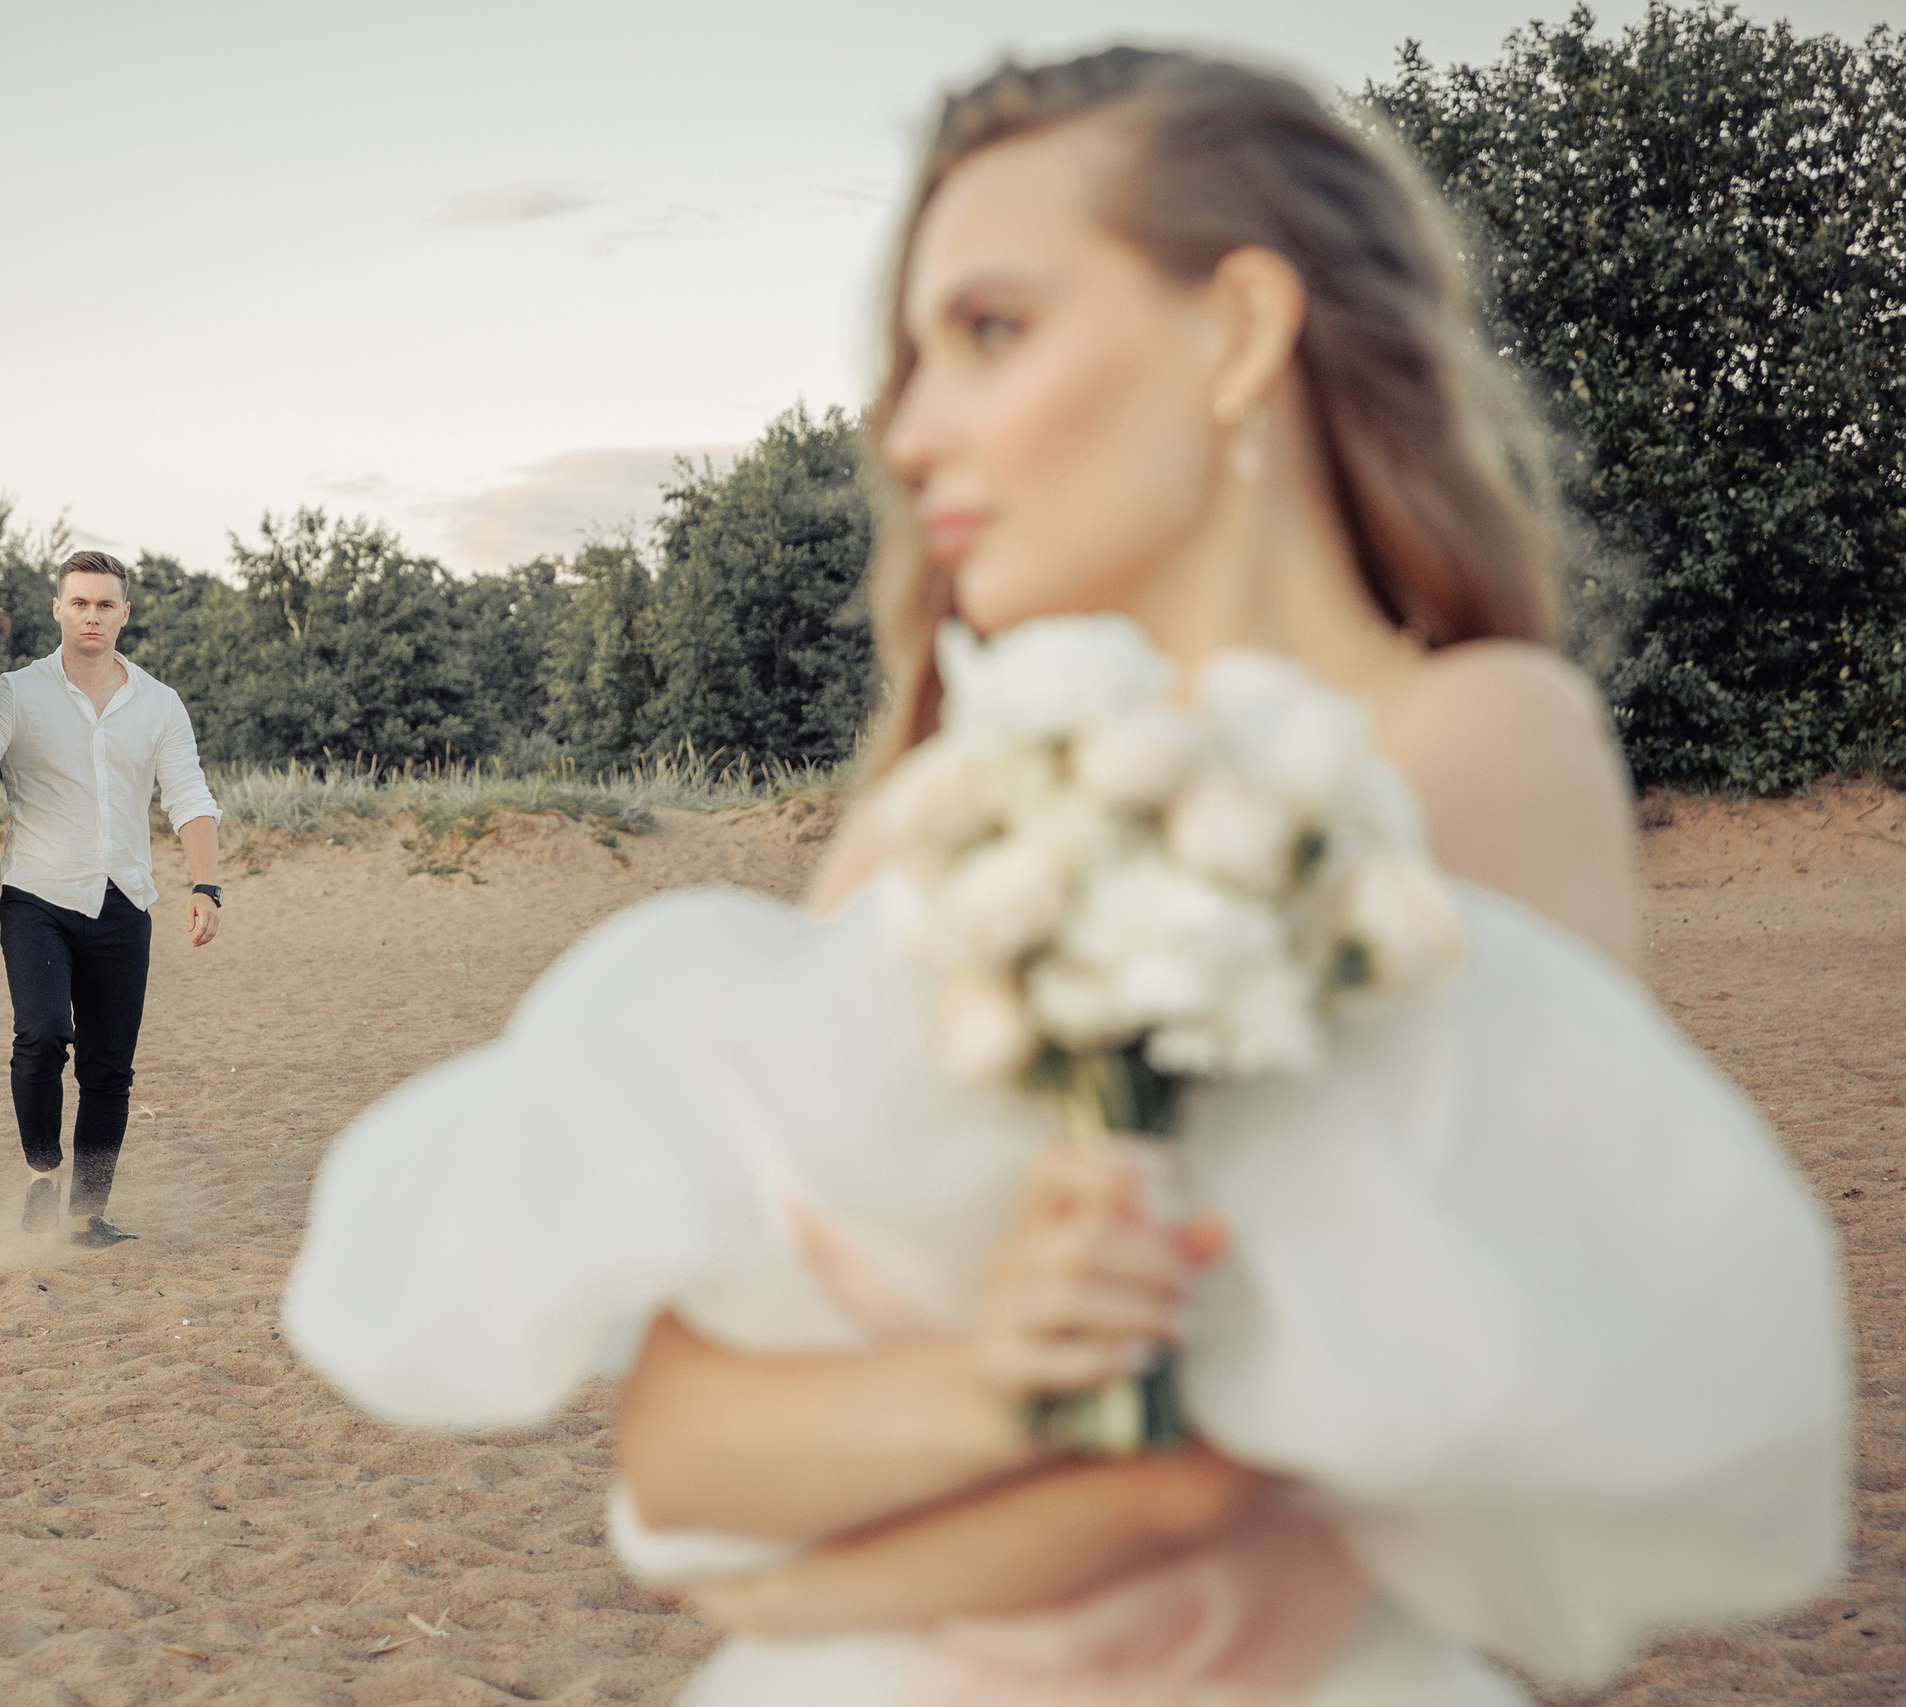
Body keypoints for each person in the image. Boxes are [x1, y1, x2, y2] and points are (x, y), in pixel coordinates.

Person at [283, 46, 1848, 1706]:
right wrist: (990, 1385)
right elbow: (677, 1451)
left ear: (1241, 331)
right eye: (909, 355)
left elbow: (1259, 1460)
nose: (908, 428)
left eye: (993, 330)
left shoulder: (1466, 735)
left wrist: (818, 1586)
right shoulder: (940, 809)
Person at [0, 549, 222, 1246]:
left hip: (124, 902)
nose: (91, 615)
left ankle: (89, 1213)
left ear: (124, 614)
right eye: (79, 602)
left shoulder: (159, 703)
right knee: (42, 1035)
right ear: (58, 608)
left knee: (110, 1066)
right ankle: (43, 1172)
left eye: (104, 603)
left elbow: (190, 796)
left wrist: (205, 884)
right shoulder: (15, 696)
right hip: (37, 898)